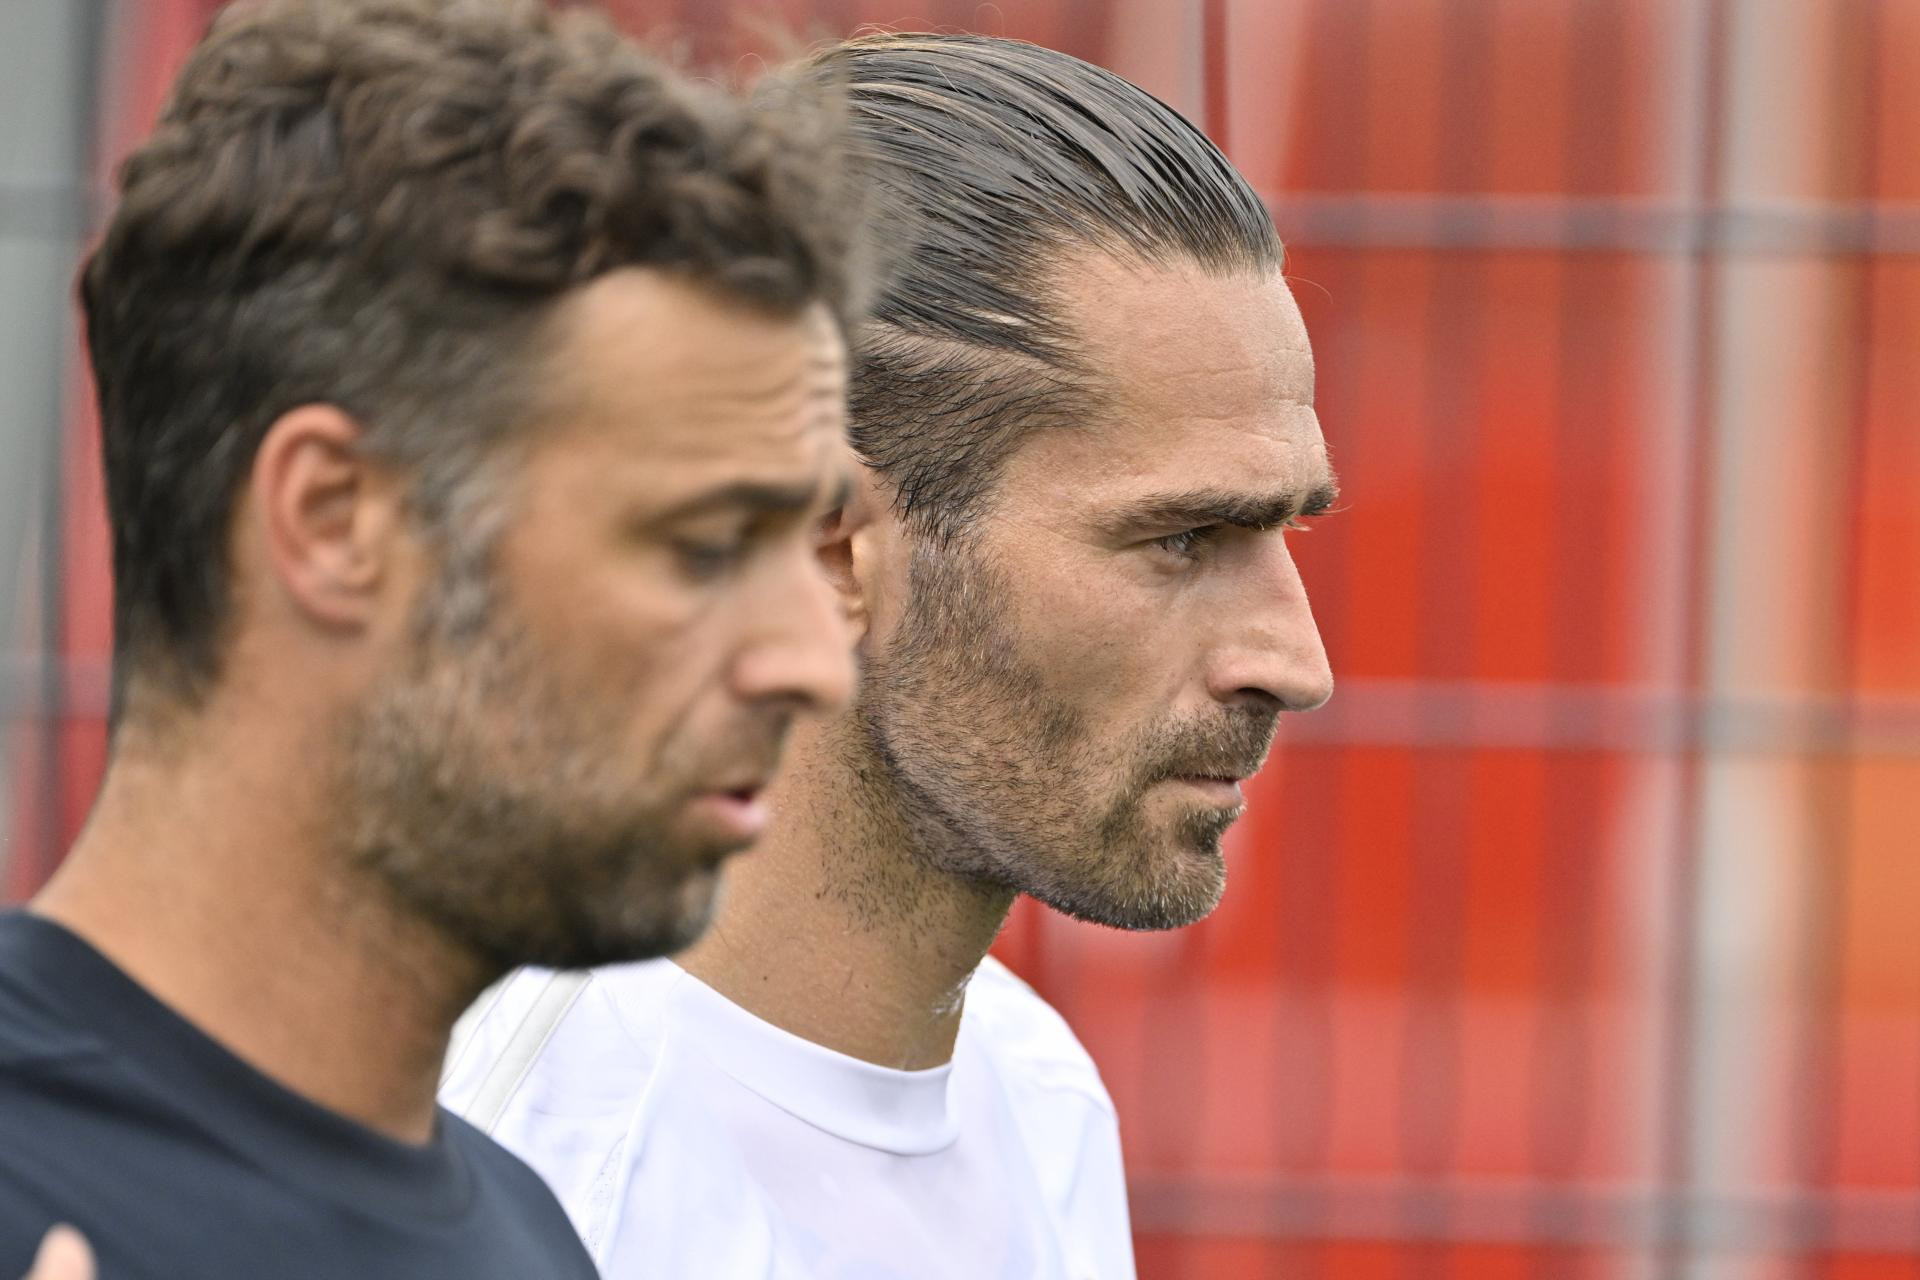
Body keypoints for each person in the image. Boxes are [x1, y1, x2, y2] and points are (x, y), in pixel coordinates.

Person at [443, 31, 1337, 1280]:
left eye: (1288, 527)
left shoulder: (1038, 1098)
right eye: (1182, 538)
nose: (1296, 660)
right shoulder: (503, 1154)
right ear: (830, 547)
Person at [0, 1, 869, 1276]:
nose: (816, 662)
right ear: (333, 520)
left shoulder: (531, 1233)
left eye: (806, 537)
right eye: (703, 544)